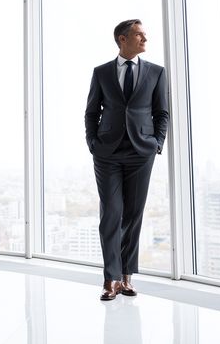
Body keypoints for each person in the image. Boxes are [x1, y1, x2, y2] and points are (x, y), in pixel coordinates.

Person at [84, 19, 169, 301]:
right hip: (107, 153)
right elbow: (91, 111)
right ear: (123, 39)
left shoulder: (156, 72)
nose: (145, 39)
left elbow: (162, 113)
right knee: (111, 214)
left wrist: (157, 144)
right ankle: (110, 279)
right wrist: (93, 143)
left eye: (145, 34)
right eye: (139, 34)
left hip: (141, 152)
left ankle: (126, 277)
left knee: (133, 215)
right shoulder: (101, 72)